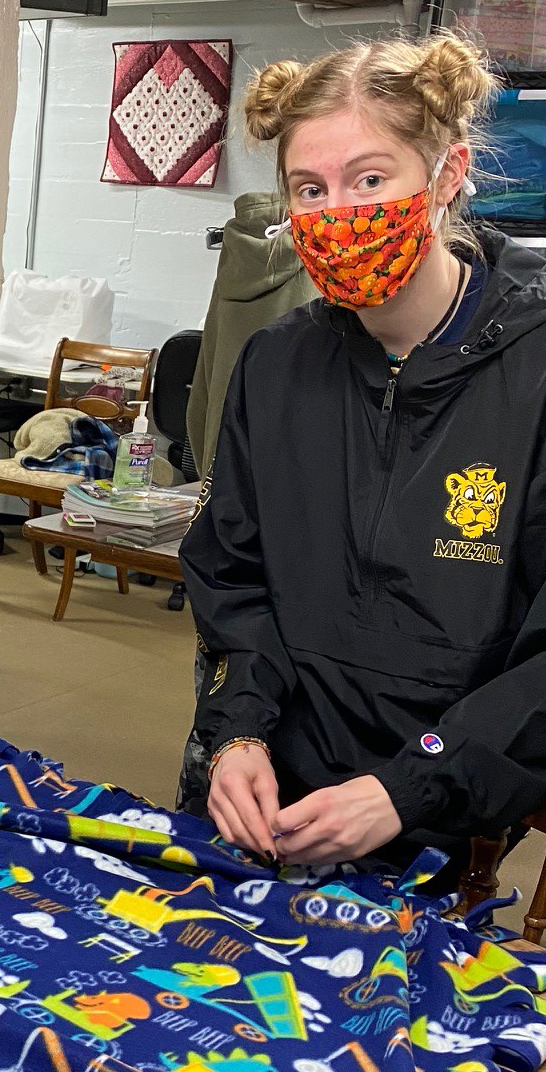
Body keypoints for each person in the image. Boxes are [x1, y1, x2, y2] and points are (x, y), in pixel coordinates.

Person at [179, 33, 546, 888]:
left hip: (438, 820)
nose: (339, 213)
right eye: (311, 189)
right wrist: (235, 733)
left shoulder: (534, 375)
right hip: (260, 805)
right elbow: (233, 577)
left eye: (371, 180)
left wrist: (404, 787)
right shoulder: (274, 366)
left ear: (448, 176)